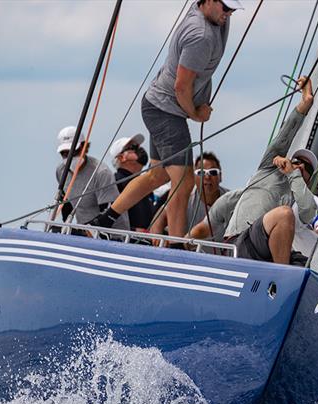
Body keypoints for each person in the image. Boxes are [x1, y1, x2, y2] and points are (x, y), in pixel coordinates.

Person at [89, 0, 241, 242]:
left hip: (157, 105)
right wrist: (196, 114)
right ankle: (176, 247)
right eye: (226, 8)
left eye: (233, 9)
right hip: (167, 110)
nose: (230, 13)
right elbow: (181, 87)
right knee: (184, 180)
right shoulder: (200, 36)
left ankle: (105, 219)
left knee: (157, 176)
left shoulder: (208, 11)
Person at [223, 76, 318, 264]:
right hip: (240, 243)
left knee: (313, 268)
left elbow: (308, 213)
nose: (299, 164)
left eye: (305, 167)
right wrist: (306, 101)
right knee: (284, 214)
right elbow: (285, 135)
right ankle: (280, 277)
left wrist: (293, 174)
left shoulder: (299, 194)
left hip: (266, 250)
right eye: (297, 160)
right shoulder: (269, 167)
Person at [55, 126, 129, 231]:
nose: (69, 157)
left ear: (84, 147)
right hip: (84, 232)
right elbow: (66, 206)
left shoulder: (101, 172)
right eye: (64, 153)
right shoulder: (61, 171)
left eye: (74, 151)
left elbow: (108, 213)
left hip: (112, 233)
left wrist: (87, 231)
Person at [152, 151, 229, 236]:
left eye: (213, 172)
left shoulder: (231, 199)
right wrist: (158, 239)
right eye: (201, 172)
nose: (207, 177)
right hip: (189, 248)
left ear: (220, 177)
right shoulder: (184, 197)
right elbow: (158, 221)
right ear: (194, 177)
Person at [109, 134, 155, 231]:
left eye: (138, 146)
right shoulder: (115, 182)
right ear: (121, 157)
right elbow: (109, 216)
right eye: (133, 147)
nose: (140, 149)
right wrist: (133, 230)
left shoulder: (145, 183)